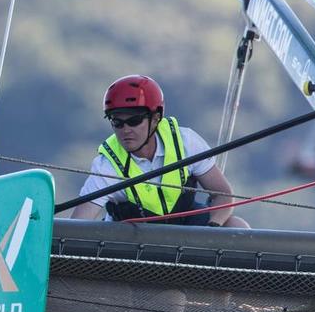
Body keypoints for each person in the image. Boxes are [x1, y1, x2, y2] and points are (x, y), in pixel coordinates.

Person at [70, 75, 250, 227]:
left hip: (187, 231)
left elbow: (223, 195)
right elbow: (78, 223)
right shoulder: (106, 166)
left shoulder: (186, 142)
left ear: (156, 118)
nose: (125, 130)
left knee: (237, 226)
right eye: (117, 122)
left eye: (134, 121)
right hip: (131, 240)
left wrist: (211, 229)